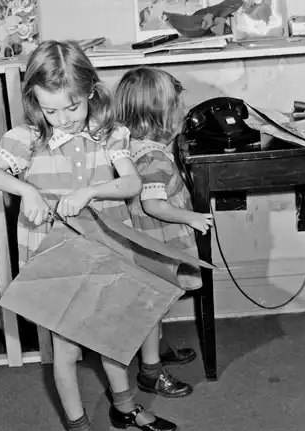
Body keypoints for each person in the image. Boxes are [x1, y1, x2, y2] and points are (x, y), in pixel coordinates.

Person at [0, 40, 177, 431]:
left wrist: (91, 191)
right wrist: (26, 190)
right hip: (56, 261)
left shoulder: (110, 134)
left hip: (104, 250)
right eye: (50, 110)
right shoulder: (26, 138)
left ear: (91, 92)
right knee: (66, 350)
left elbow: (131, 184)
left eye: (73, 106)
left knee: (111, 333)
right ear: (35, 101)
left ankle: (124, 407)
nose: (63, 118)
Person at [114, 67, 213, 399]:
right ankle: (151, 371)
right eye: (177, 105)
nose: (183, 110)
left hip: (151, 241)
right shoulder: (152, 158)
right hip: (157, 243)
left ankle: (153, 348)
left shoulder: (136, 146)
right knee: (152, 305)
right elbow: (154, 204)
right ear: (158, 114)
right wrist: (191, 217)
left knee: (156, 302)